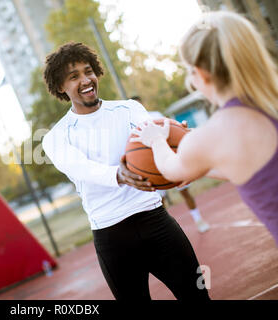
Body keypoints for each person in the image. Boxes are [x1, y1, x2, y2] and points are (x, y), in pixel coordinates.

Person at [41, 42, 210, 300]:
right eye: (74, 77)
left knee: (197, 296)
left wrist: (177, 140)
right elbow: (80, 168)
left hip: (155, 220)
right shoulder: (55, 137)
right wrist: (118, 175)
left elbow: (154, 139)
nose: (85, 80)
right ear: (60, 86)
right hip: (111, 236)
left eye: (88, 71)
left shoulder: (129, 109)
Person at [131, 11, 278, 249]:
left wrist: (157, 140)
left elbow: (171, 170)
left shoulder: (210, 137)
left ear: (200, 74)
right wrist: (203, 164)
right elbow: (256, 171)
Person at [131, 95, 210, 233]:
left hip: (170, 157)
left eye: (138, 103)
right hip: (151, 166)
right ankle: (167, 230)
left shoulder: (155, 115)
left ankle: (198, 219)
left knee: (185, 191)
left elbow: (172, 130)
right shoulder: (132, 124)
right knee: (159, 203)